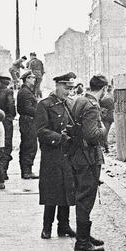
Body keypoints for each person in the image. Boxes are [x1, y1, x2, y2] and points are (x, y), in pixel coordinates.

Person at [67, 74, 108, 251]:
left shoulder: (79, 100)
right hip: (88, 157)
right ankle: (82, 242)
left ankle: (84, 235)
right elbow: (92, 135)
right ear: (104, 89)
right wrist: (103, 129)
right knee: (86, 198)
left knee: (83, 196)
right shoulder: (92, 106)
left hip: (78, 155)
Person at [34, 72, 77, 240]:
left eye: (71, 89)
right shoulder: (44, 105)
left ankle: (64, 226)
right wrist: (60, 138)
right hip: (52, 154)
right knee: (51, 191)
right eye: (66, 88)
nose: (68, 92)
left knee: (67, 189)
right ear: (57, 86)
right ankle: (47, 227)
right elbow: (41, 131)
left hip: (67, 154)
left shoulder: (68, 104)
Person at [16, 70, 40, 179]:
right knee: (29, 145)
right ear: (27, 79)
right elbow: (27, 108)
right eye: (32, 78)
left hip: (28, 120)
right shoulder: (25, 92)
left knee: (28, 145)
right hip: (28, 120)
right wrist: (39, 111)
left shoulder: (27, 91)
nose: (34, 80)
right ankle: (27, 171)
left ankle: (26, 170)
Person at [99, 84, 115, 151]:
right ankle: (106, 147)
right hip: (110, 116)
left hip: (105, 116)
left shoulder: (105, 97)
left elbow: (100, 103)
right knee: (106, 132)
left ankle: (105, 146)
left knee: (105, 132)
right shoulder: (112, 96)